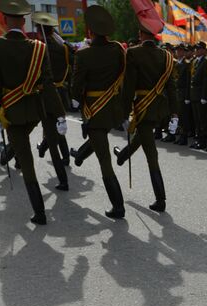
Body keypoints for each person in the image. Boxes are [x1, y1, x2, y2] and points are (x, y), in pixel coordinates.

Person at [0, 0, 66, 224]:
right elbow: (48, 84)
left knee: (26, 160)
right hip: (35, 110)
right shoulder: (37, 47)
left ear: (4, 20)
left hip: (10, 112)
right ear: (24, 21)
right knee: (25, 151)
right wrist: (59, 114)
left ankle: (39, 213)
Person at [113, 17, 177, 213]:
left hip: (142, 107)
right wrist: (175, 114)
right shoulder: (166, 55)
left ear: (141, 34)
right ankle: (123, 154)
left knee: (152, 154)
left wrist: (124, 113)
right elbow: (172, 87)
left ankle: (161, 199)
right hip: (160, 108)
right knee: (144, 136)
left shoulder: (133, 53)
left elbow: (129, 85)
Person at [72, 5, 126, 218]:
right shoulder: (117, 50)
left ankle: (118, 206)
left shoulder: (84, 54)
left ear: (90, 31)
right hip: (111, 108)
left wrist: (78, 98)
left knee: (105, 160)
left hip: (93, 110)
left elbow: (76, 87)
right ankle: (80, 155)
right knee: (99, 141)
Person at [32, 12, 71, 168]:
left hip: (46, 92)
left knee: (50, 126)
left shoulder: (40, 48)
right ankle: (65, 156)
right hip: (61, 90)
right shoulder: (63, 47)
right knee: (57, 124)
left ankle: (45, 148)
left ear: (39, 29)